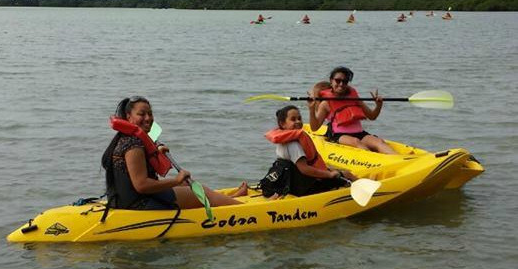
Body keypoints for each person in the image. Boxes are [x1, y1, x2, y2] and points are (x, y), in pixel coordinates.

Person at [101, 96, 248, 210]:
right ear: (128, 117)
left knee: (187, 183)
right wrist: (176, 180)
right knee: (199, 191)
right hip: (139, 203)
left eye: (150, 114)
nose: (148, 118)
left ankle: (230, 198)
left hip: (126, 199)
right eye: (142, 114)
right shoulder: (133, 144)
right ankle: (243, 209)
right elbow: (142, 185)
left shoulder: (125, 137)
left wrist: (157, 153)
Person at [262, 105, 356, 197]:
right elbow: (304, 169)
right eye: (293, 119)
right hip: (302, 186)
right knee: (347, 174)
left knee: (337, 171)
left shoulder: (283, 138)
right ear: (282, 123)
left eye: (299, 118)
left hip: (292, 180)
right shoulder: (294, 145)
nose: (298, 121)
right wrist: (329, 174)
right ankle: (366, 191)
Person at [308, 66, 398, 154]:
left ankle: (401, 160)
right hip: (339, 135)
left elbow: (372, 116)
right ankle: (377, 162)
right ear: (331, 81)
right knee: (357, 142)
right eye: (338, 80)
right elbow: (314, 128)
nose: (341, 84)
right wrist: (311, 109)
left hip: (360, 133)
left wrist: (378, 105)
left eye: (345, 81)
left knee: (379, 142)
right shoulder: (325, 103)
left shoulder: (354, 97)